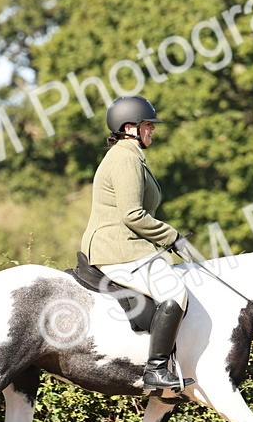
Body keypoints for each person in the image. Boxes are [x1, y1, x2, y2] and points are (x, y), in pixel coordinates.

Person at [81, 95, 194, 393]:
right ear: (130, 127)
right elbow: (132, 215)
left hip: (129, 247)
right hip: (117, 250)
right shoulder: (125, 158)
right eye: (148, 125)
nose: (152, 130)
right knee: (175, 292)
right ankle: (155, 369)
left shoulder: (130, 156)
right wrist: (171, 236)